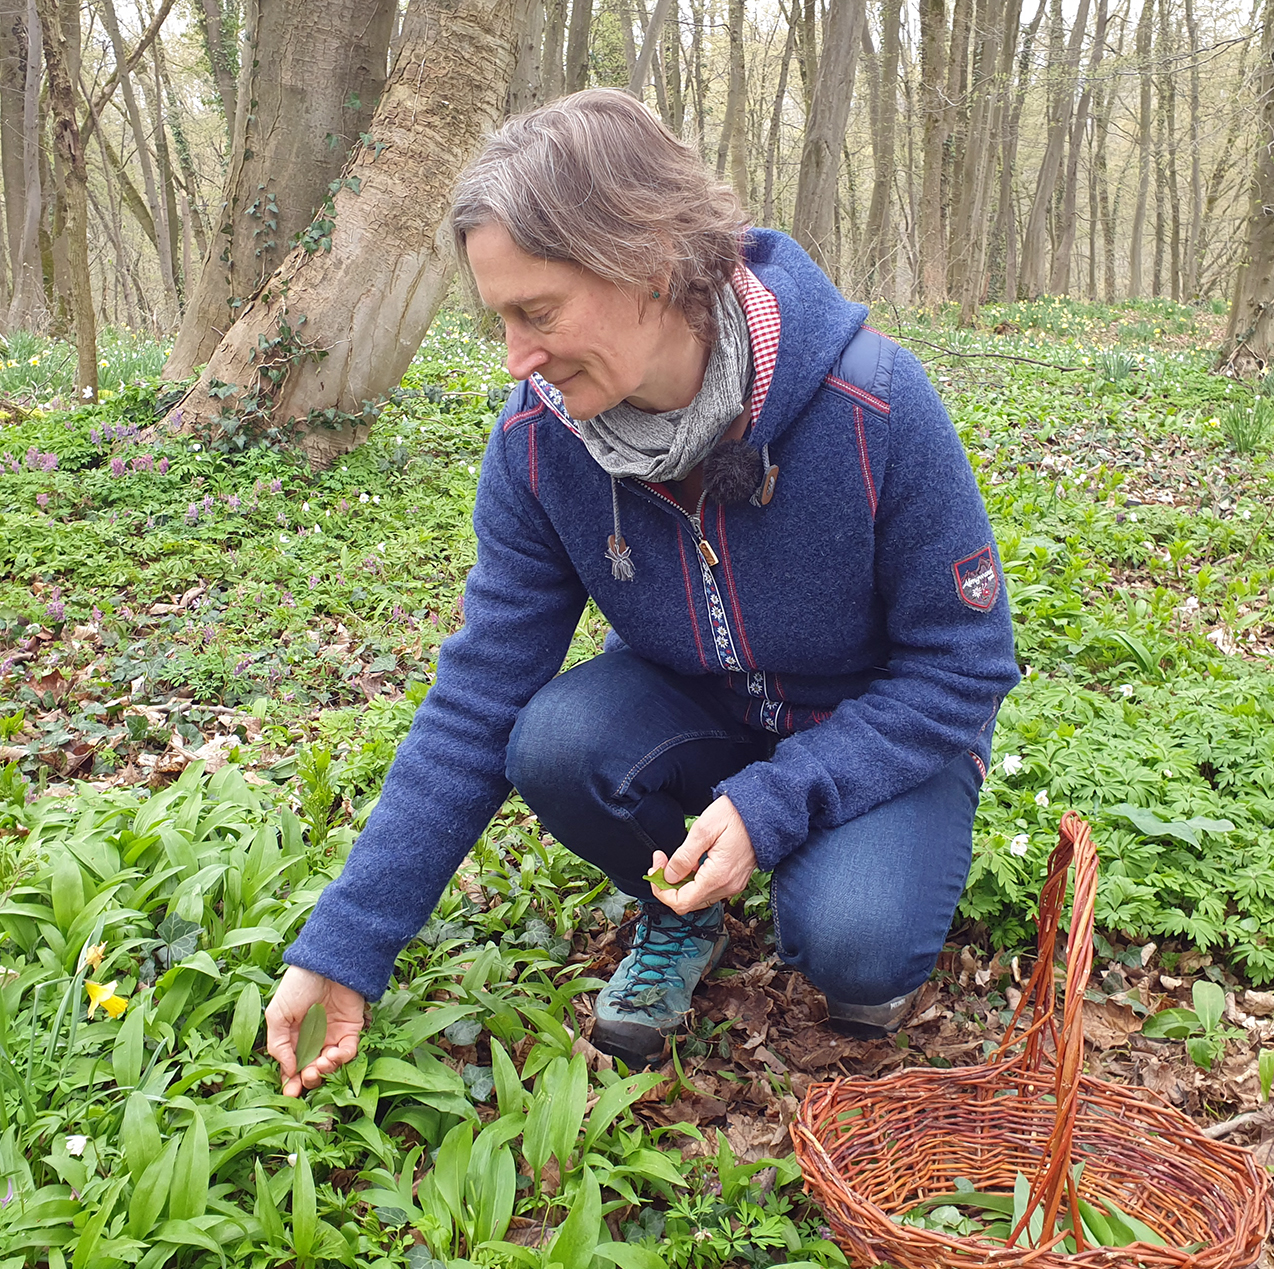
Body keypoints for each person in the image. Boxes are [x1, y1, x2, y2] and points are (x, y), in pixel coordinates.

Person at [264, 88, 1018, 1087]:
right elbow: (481, 693)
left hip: (874, 728)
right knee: (553, 738)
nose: (517, 360)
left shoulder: (872, 404)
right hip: (697, 709)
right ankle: (682, 907)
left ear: (654, 262)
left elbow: (962, 668)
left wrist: (778, 801)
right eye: (499, 319)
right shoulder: (540, 443)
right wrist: (343, 944)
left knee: (855, 945)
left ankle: (825, 865)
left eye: (538, 312)